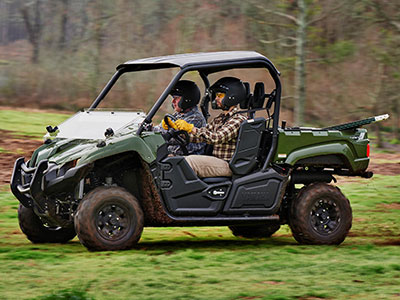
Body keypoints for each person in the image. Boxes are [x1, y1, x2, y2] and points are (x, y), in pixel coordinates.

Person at [169, 77, 248, 178]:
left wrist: (191, 128)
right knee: (173, 160)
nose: (216, 99)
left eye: (220, 95)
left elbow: (217, 138)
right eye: (216, 96)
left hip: (227, 164)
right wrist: (181, 133)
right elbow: (203, 135)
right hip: (217, 161)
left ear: (232, 96)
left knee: (188, 162)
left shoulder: (238, 119)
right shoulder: (220, 118)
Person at [160, 80, 206, 156]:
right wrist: (151, 129)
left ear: (187, 99)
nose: (173, 101)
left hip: (187, 158)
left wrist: (160, 135)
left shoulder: (195, 118)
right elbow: (161, 130)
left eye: (176, 98)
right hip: (176, 156)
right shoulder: (177, 115)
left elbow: (177, 139)